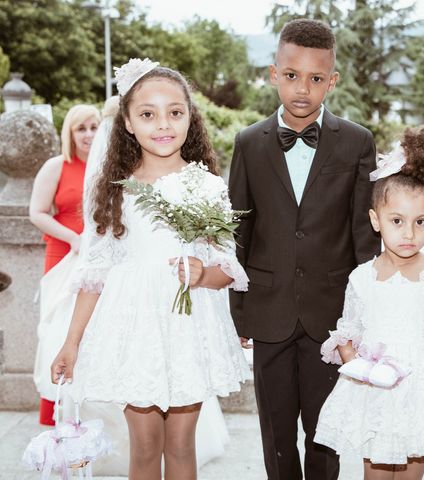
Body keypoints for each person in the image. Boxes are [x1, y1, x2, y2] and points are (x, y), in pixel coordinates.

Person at [50, 58, 250, 480]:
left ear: (189, 118)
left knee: (180, 446)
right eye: (147, 114)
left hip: (185, 327)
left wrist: (201, 274)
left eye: (175, 112)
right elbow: (96, 272)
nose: (163, 124)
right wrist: (71, 342)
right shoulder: (115, 191)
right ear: (127, 122)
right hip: (134, 328)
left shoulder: (207, 186)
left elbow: (228, 270)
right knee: (143, 449)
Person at [228, 19, 380, 480]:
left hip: (330, 319)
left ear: (331, 82)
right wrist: (238, 315)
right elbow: (239, 231)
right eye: (292, 75)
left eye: (316, 79)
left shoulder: (356, 142)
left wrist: (362, 317)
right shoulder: (249, 143)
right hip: (268, 312)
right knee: (275, 433)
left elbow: (363, 238)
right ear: (274, 74)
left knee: (324, 432)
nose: (302, 88)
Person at [314, 127, 424, 480]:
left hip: (422, 399)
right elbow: (347, 335)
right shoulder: (361, 278)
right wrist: (359, 360)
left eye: (420, 222)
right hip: (377, 397)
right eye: (397, 221)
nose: (409, 234)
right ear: (376, 221)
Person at [29, 104, 100, 425]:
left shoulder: (107, 167)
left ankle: (91, 413)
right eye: (80, 128)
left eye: (94, 127)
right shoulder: (57, 166)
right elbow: (38, 212)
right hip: (63, 257)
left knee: (92, 333)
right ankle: (57, 413)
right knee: (57, 332)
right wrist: (73, 239)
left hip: (96, 262)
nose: (88, 135)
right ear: (69, 133)